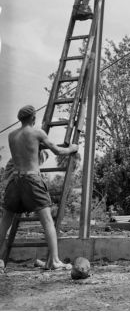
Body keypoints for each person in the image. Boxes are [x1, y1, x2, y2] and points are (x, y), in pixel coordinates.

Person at [0, 105, 79, 271]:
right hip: (31, 179)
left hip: (15, 181)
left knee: (5, 222)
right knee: (48, 221)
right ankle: (54, 260)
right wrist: (72, 148)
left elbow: (23, 153)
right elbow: (57, 151)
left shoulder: (12, 135)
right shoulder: (37, 133)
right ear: (33, 118)